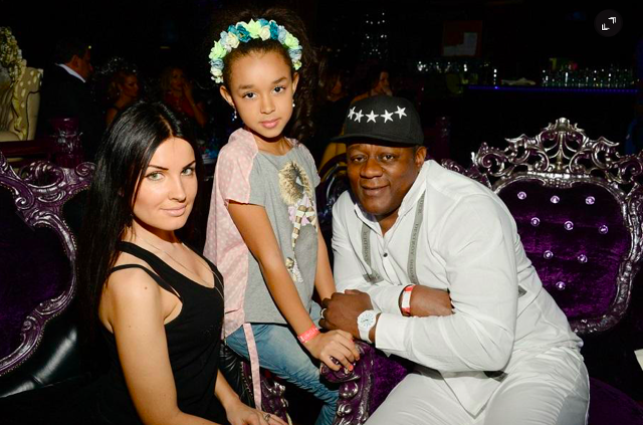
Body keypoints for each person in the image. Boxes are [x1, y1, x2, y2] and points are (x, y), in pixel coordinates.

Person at [1, 101, 285, 425]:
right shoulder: (134, 284)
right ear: (121, 183)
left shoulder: (168, 233)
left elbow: (191, 348)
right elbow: (163, 418)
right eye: (156, 175)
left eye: (187, 170)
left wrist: (234, 404)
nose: (180, 193)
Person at [320, 95, 590, 425]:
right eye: (358, 157)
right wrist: (411, 298)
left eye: (387, 156)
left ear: (419, 158)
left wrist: (370, 322)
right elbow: (349, 299)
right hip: (441, 374)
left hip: (532, 363)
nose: (369, 170)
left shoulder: (465, 208)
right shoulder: (346, 210)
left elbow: (487, 345)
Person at [203, 8, 359, 425]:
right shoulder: (239, 157)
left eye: (277, 87)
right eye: (250, 94)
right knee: (344, 392)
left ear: (295, 83)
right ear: (229, 97)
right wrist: (312, 337)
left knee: (364, 372)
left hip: (293, 305)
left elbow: (312, 237)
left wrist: (333, 307)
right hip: (251, 316)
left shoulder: (301, 153)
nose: (267, 106)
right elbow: (270, 258)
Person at [38, 37, 102, 160]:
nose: (91, 68)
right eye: (87, 61)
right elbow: (90, 134)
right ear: (76, 61)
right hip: (72, 162)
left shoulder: (47, 79)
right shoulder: (74, 87)